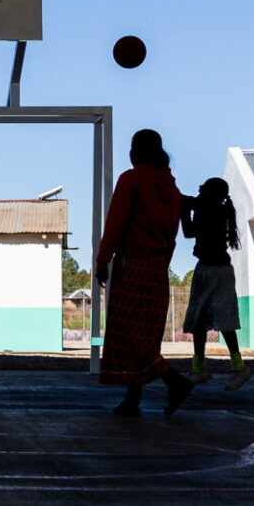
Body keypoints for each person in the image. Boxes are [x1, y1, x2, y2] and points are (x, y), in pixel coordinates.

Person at [94, 129, 194, 416]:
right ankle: (132, 399)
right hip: (157, 270)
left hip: (132, 266)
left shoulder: (131, 179)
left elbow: (115, 223)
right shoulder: (171, 188)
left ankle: (174, 382)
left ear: (136, 151)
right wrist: (163, 261)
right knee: (144, 335)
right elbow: (173, 234)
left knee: (130, 334)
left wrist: (103, 261)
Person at [180, 177, 253, 391]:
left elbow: (188, 231)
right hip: (218, 270)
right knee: (215, 322)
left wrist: (183, 211)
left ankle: (203, 368)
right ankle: (233, 367)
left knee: (206, 321)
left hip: (210, 271)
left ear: (210, 193)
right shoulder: (216, 207)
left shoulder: (207, 209)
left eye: (203, 187)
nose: (199, 188)